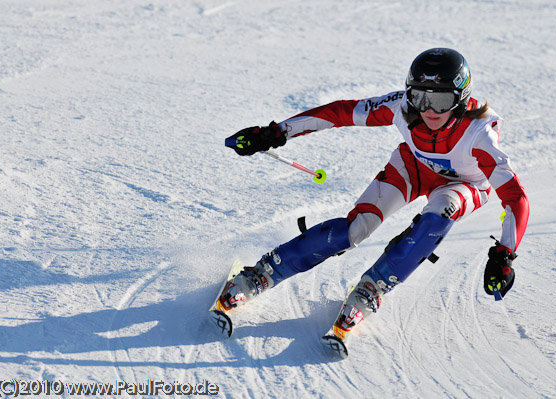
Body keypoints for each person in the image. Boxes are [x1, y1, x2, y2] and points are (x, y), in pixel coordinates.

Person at [219, 48, 530, 337]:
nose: (430, 111)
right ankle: (265, 272)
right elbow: (342, 112)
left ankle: (373, 289)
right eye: (422, 98)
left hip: (464, 184)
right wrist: (275, 133)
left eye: (442, 101)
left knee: (435, 220)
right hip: (414, 166)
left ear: (461, 99)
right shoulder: (402, 107)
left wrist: (505, 255)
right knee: (356, 228)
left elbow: (515, 198)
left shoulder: (479, 135)